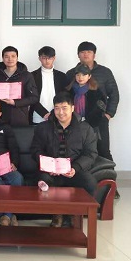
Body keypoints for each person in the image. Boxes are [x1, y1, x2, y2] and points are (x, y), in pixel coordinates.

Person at [29, 91, 98, 227]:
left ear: (72, 108)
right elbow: (35, 150)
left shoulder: (85, 128)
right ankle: (57, 214)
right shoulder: (43, 128)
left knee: (89, 182)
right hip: (50, 171)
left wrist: (75, 168)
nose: (61, 112)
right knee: (43, 180)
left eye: (64, 108)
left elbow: (91, 153)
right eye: (57, 108)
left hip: (74, 170)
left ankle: (74, 214)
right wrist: (48, 165)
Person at [65, 41, 119, 161]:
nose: (85, 54)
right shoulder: (70, 73)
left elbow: (114, 94)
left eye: (89, 52)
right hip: (76, 121)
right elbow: (65, 97)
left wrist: (108, 114)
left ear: (94, 55)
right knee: (79, 151)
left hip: (99, 119)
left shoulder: (105, 72)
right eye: (82, 52)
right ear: (78, 55)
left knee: (103, 149)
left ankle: (108, 173)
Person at [0, 46, 38, 127]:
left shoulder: (27, 75)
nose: (10, 59)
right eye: (6, 56)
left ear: (17, 58)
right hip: (1, 118)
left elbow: (34, 98)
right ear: (3, 58)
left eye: (13, 56)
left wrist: (15, 102)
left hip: (20, 117)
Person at [30, 46, 67, 125]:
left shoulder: (62, 76)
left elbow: (64, 96)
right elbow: (30, 97)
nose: (47, 61)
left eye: (49, 58)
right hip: (37, 115)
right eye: (44, 58)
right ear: (39, 58)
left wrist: (53, 113)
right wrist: (44, 113)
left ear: (54, 58)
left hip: (57, 115)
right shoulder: (32, 76)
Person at [67, 65, 108, 134]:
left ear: (89, 76)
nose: (80, 77)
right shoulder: (69, 91)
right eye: (78, 75)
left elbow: (101, 109)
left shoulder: (96, 92)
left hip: (92, 125)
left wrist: (90, 120)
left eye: (84, 75)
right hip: (73, 124)